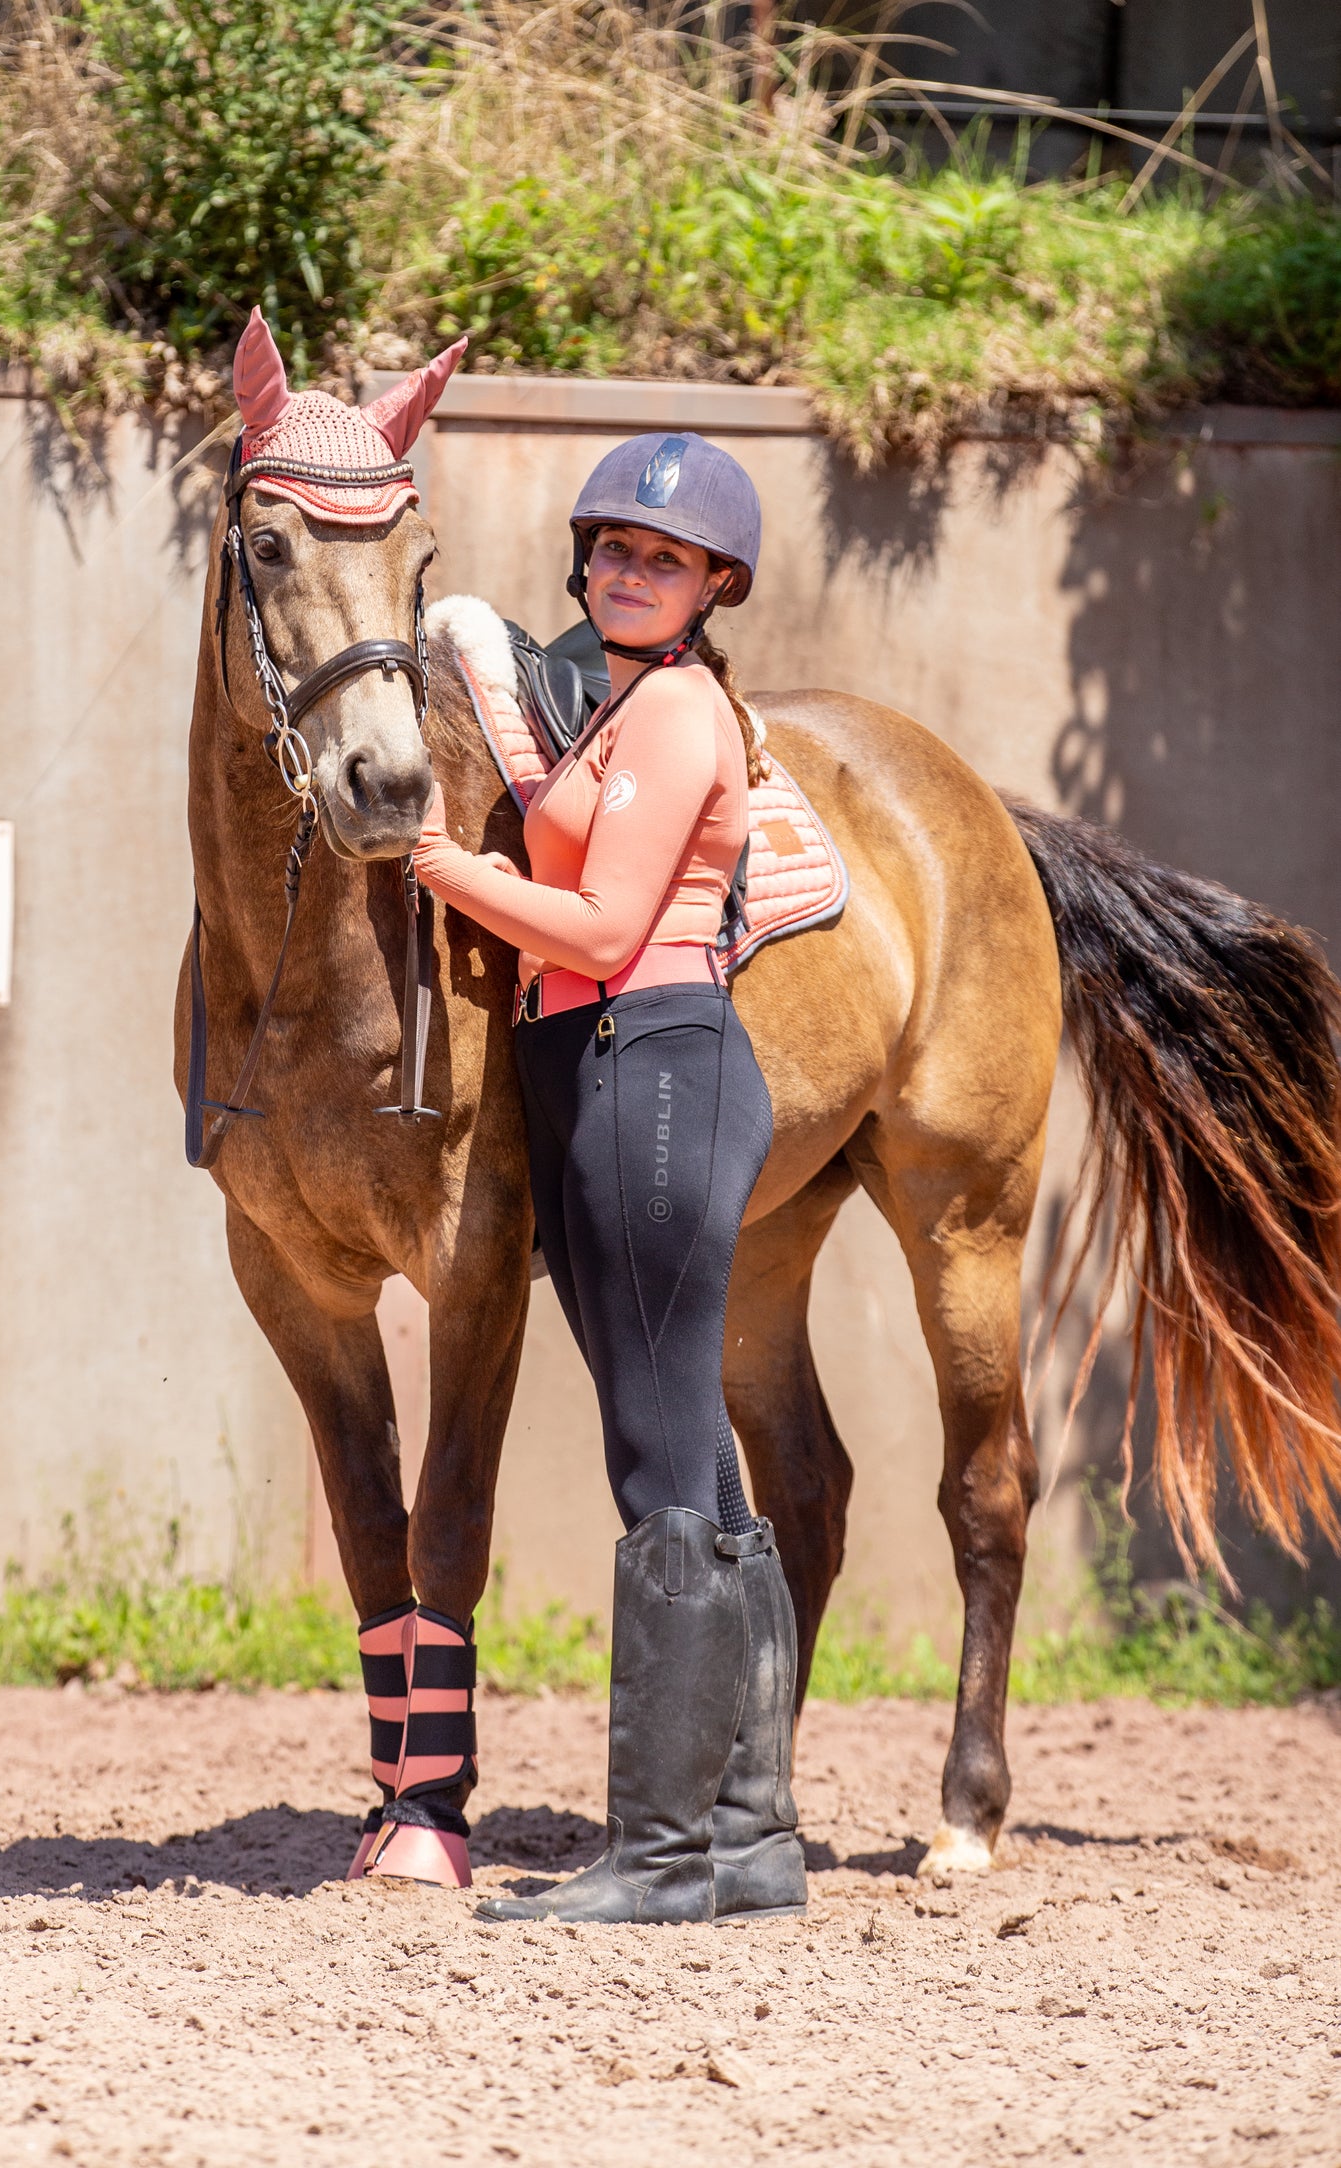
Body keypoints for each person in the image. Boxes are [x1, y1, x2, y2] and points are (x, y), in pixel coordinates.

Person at [413, 432, 806, 1925]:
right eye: (613, 550)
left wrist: (437, 866)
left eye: (664, 557)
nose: (629, 571)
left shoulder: (679, 713)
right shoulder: (621, 710)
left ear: (715, 585)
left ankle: (654, 1853)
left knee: (654, 1463)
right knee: (698, 1459)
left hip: (651, 1058)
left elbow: (592, 926)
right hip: (601, 1068)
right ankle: (749, 1839)